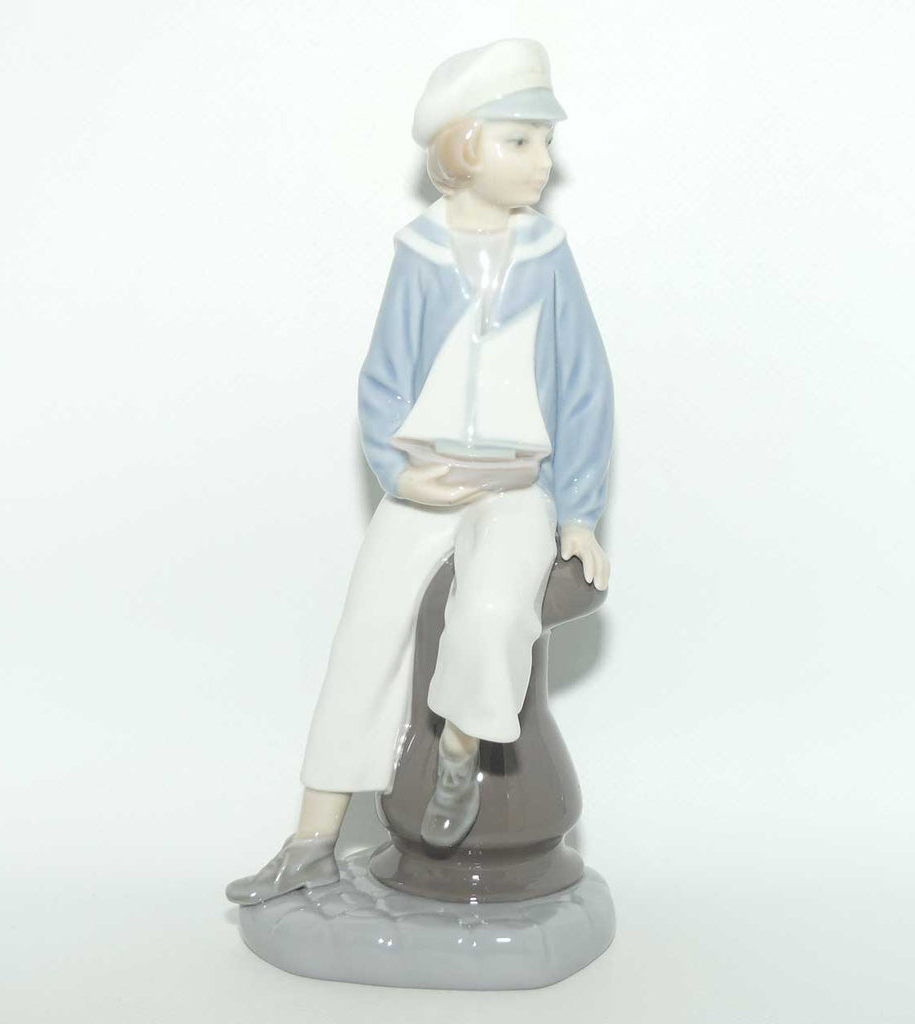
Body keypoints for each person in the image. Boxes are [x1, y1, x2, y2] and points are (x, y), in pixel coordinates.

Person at [227, 38, 613, 905]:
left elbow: (585, 388)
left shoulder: (548, 257)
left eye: (545, 142)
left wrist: (580, 512)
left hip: (515, 489)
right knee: (367, 630)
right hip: (426, 483)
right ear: (465, 147)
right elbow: (382, 382)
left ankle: (460, 752)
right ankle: (313, 837)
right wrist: (399, 477)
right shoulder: (420, 253)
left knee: (493, 607)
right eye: (520, 141)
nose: (542, 161)